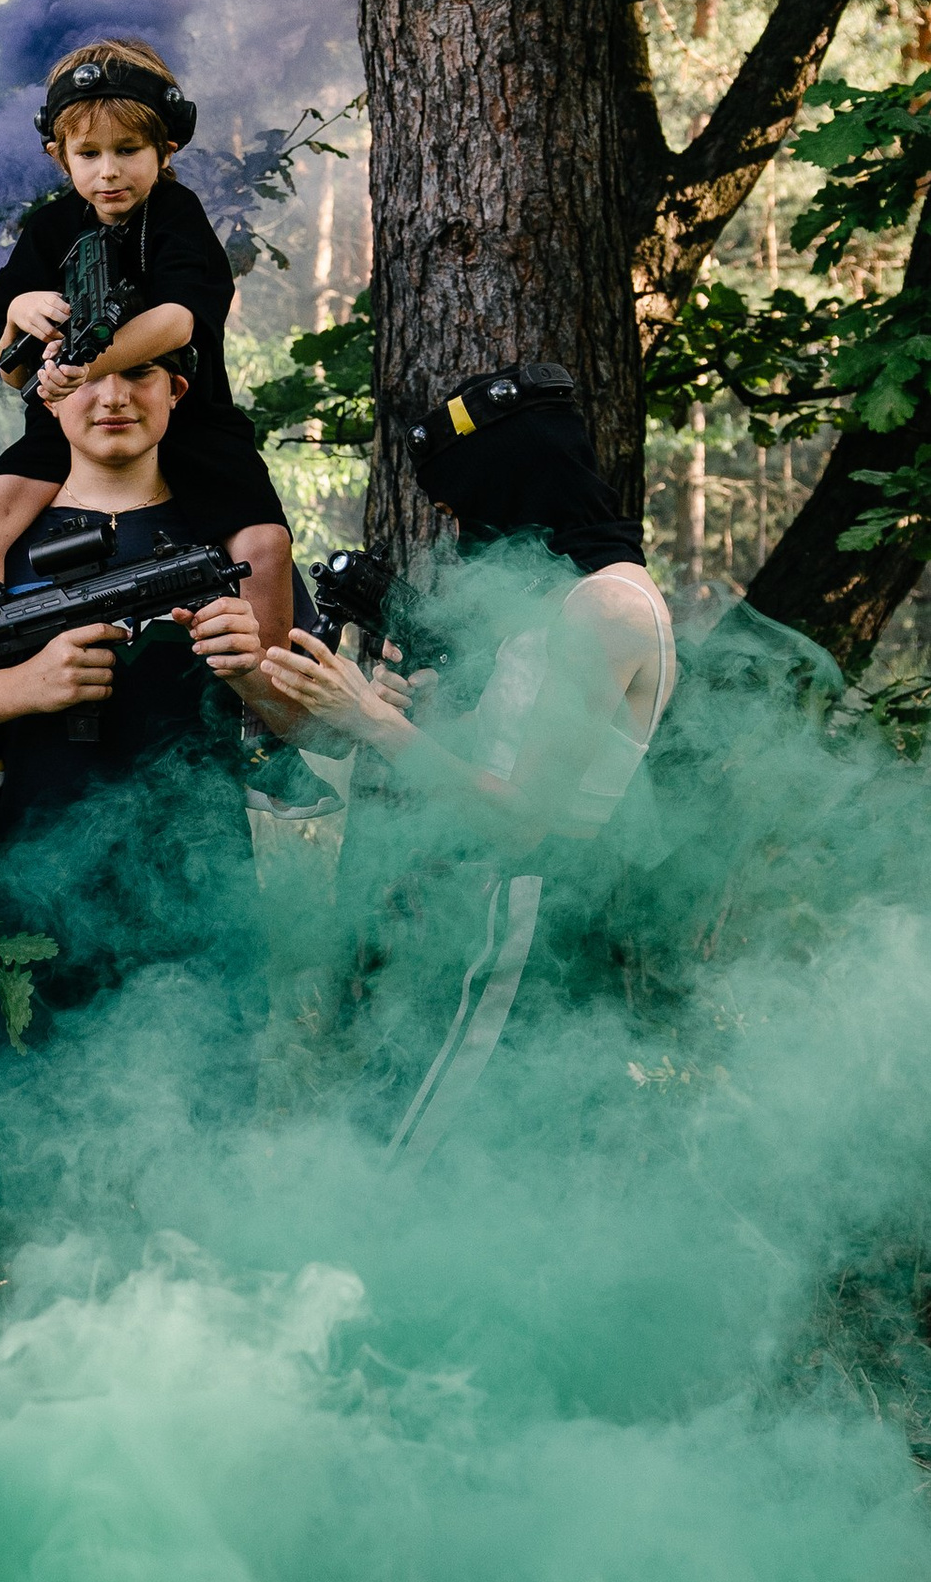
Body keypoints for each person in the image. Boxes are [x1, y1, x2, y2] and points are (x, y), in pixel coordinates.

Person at [255, 362, 676, 1157]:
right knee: (502, 1161)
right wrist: (428, 708)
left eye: (463, 510)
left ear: (511, 484)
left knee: (400, 1148)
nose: (459, 535)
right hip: (496, 909)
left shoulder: (607, 607)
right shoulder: (571, 599)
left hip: (528, 905)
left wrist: (372, 721)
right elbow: (505, 754)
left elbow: (523, 822)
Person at [0, 349, 295, 1093]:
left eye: (140, 374)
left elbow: (317, 725)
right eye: (88, 376)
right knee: (24, 1158)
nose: (113, 397)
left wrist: (253, 668)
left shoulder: (231, 531)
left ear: (176, 391)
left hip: (200, 902)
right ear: (51, 398)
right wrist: (22, 687)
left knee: (201, 1171)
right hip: (34, 907)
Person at [0, 39, 295, 816]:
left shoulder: (176, 217)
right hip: (66, 418)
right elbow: (9, 361)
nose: (109, 171)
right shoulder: (49, 231)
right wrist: (20, 316)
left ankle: (264, 732)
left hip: (190, 413)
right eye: (89, 154)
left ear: (165, 147)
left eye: (128, 150)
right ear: (60, 156)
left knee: (264, 545)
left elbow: (184, 318)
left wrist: (94, 357)